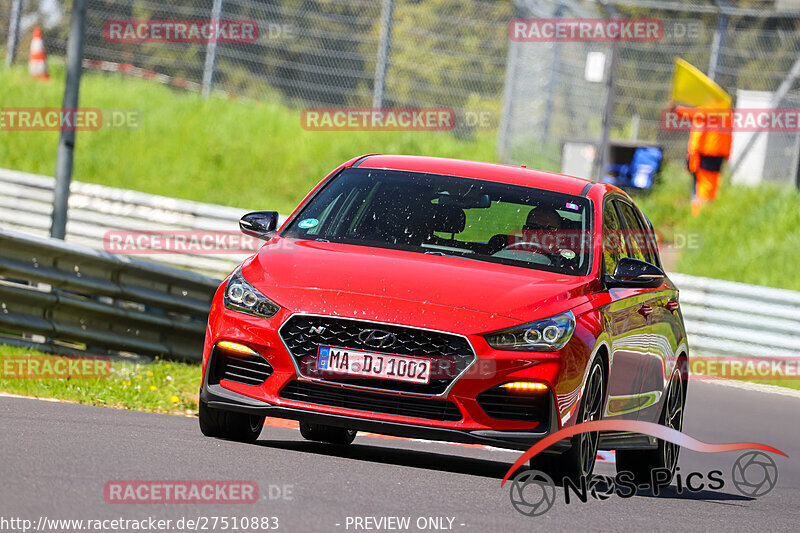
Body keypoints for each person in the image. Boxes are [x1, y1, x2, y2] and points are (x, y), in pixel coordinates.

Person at [669, 102, 733, 216]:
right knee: (711, 187)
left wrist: (676, 109)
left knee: (701, 187)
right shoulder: (727, 113)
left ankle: (698, 214)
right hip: (719, 155)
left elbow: (692, 113)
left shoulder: (710, 109)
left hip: (705, 154)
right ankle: (708, 212)